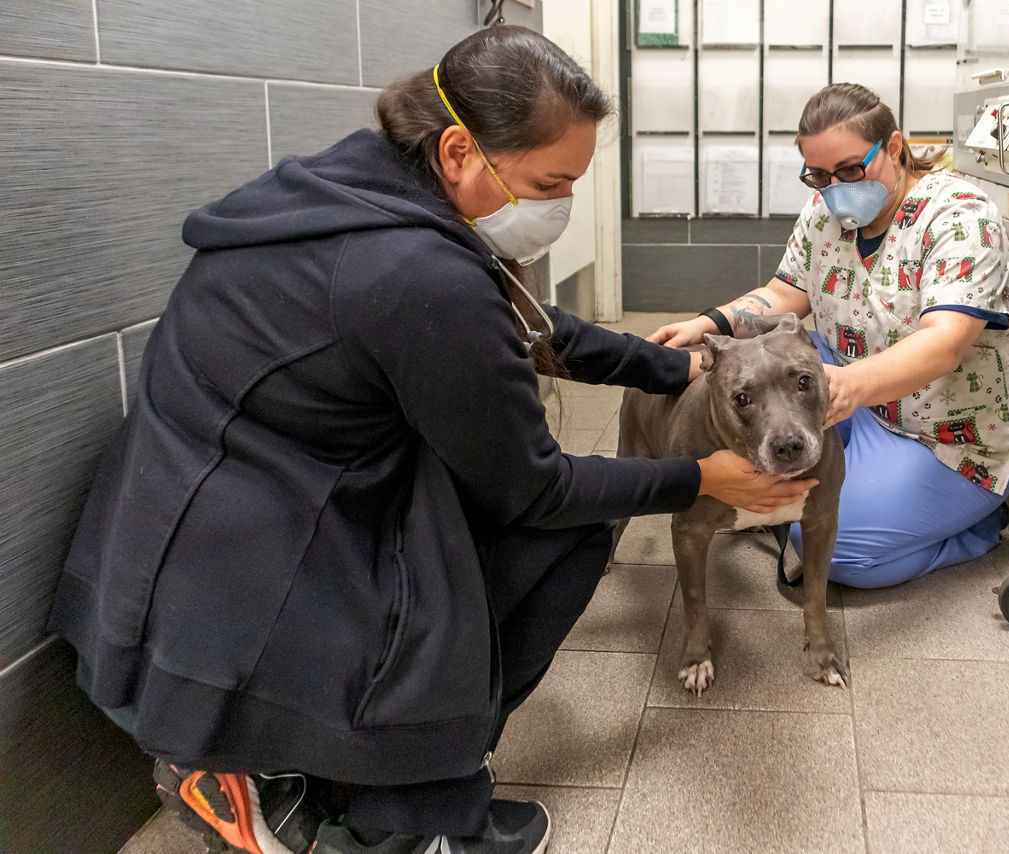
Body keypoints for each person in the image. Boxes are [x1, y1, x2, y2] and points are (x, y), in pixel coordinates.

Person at [46, 26, 815, 854]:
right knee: (562, 533)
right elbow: (535, 488)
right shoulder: (416, 273)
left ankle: (297, 767)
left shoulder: (361, 183)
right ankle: (409, 821)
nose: (558, 206)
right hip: (256, 560)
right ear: (458, 149)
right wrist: (698, 477)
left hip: (183, 512)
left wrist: (689, 368)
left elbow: (522, 324)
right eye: (550, 182)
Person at [651, 83, 1009, 590]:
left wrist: (848, 389)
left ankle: (978, 530)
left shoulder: (960, 217)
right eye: (820, 175)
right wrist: (707, 323)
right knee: (774, 443)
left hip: (946, 437)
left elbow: (946, 342)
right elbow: (784, 293)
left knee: (835, 549)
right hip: (857, 404)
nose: (835, 188)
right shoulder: (825, 212)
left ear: (894, 147)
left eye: (851, 170)